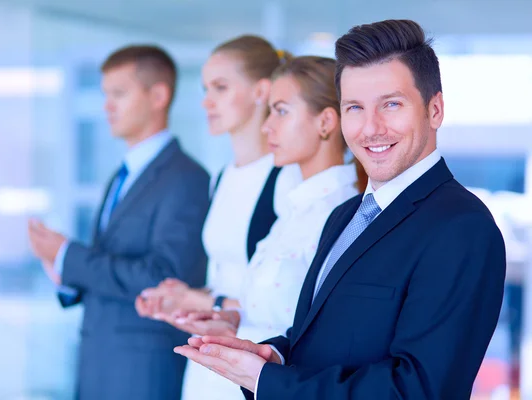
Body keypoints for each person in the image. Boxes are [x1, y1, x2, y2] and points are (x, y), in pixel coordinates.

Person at [173, 19, 507, 400]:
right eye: (355, 108)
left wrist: (270, 382)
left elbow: (420, 390)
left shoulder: (462, 227)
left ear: (435, 110)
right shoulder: (345, 216)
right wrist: (275, 356)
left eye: (391, 104)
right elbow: (329, 338)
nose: (370, 128)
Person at [139, 55, 367, 400]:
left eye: (281, 111)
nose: (267, 126)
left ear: (325, 122)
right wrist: (226, 318)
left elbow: (326, 333)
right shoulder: (294, 209)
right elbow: (274, 305)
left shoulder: (341, 214)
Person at [27, 45, 210, 400]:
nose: (106, 106)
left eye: (119, 94)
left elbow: (164, 277)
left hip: (142, 370)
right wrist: (66, 273)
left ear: (159, 95)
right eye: (105, 95)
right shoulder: (122, 175)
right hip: (100, 363)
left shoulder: (187, 178)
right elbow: (112, 266)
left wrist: (69, 255)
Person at [135, 35, 302, 400]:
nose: (206, 101)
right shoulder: (222, 177)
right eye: (205, 88)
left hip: (257, 358)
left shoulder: (288, 179)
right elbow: (225, 275)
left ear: (261, 91)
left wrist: (207, 303)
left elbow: (291, 294)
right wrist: (185, 296)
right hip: (208, 360)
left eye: (221, 88)